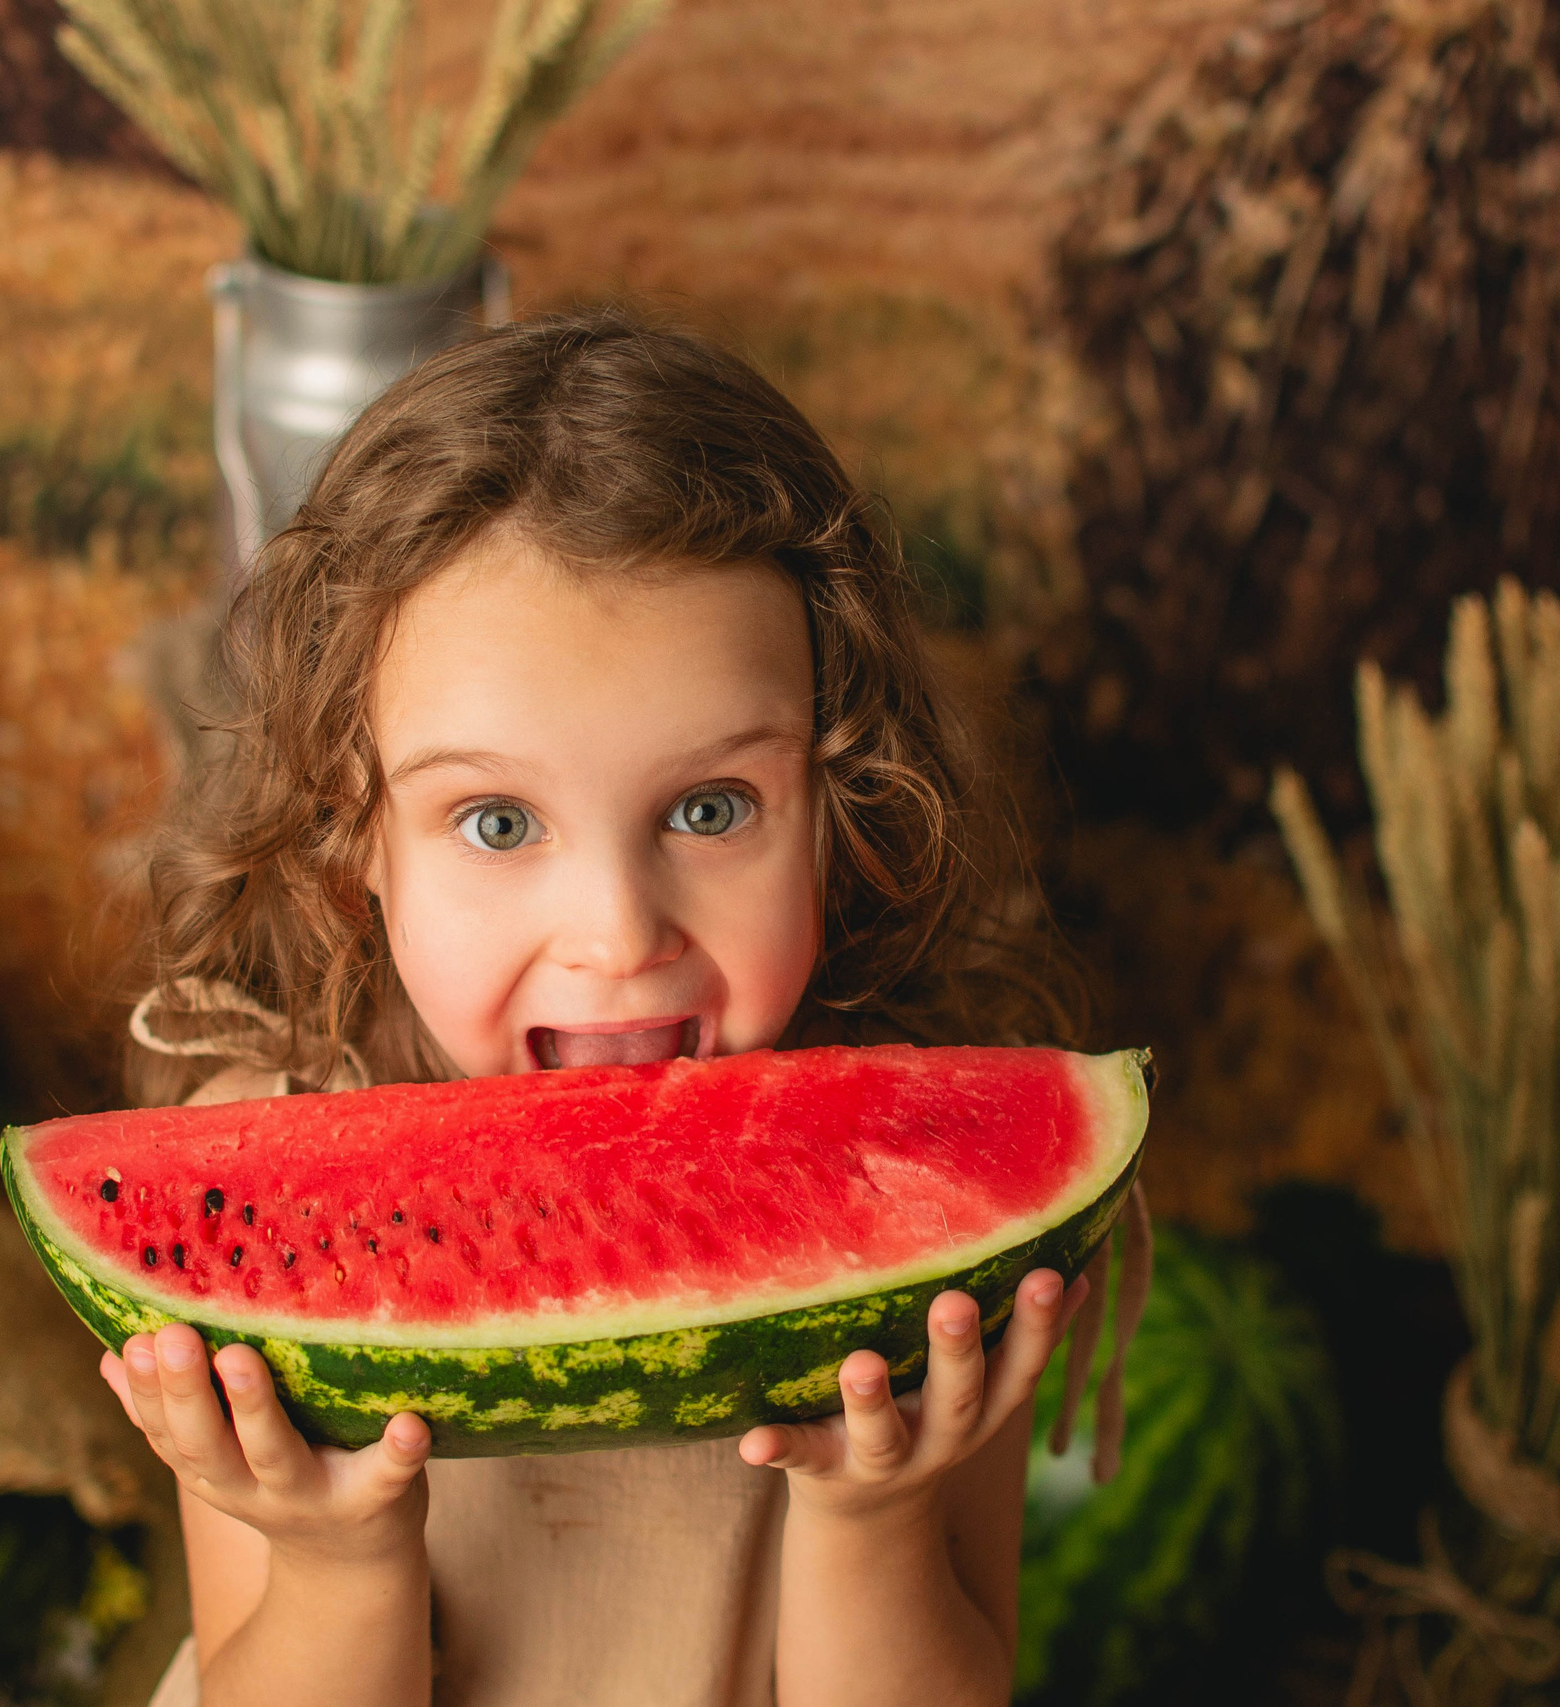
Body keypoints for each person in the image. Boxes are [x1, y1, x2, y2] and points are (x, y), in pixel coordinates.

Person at [103, 308, 1151, 1707]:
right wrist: (335, 1560)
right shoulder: (258, 1173)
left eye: (709, 809)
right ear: (353, 831)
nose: (617, 932)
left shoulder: (918, 1209)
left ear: (843, 806)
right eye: (494, 821)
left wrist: (874, 1512)